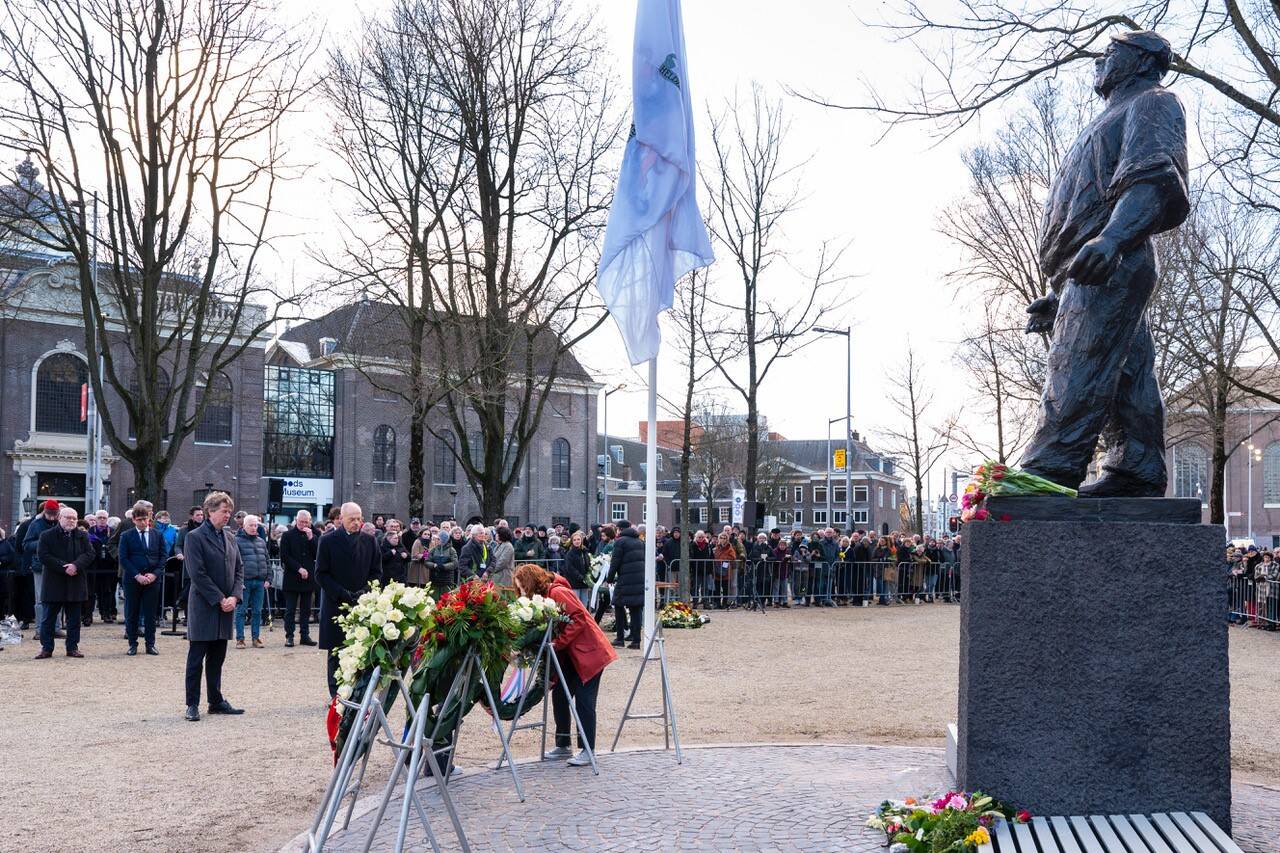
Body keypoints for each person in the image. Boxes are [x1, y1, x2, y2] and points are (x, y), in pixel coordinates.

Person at [512, 563, 616, 766]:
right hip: (570, 655)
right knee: (559, 695)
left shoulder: (558, 592)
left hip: (588, 653)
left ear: (532, 582)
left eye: (523, 586)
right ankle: (563, 744)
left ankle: (588, 749)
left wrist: (557, 643)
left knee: (584, 701)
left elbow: (578, 619)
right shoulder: (548, 595)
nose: (522, 591)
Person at [182, 491, 246, 722]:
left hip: (226, 607)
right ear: (210, 511)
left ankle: (216, 701)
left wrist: (235, 597)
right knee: (196, 658)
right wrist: (220, 598)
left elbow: (239, 569)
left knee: (217, 658)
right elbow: (197, 573)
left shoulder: (230, 537)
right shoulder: (194, 537)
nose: (228, 515)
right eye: (224, 511)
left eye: (229, 511)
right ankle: (192, 704)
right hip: (204, 606)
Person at [316, 502, 383, 697]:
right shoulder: (327, 541)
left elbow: (377, 572)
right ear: (341, 519)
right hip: (336, 603)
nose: (356, 523)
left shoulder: (370, 541)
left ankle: (356, 692)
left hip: (362, 604)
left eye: (359, 518)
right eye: (351, 519)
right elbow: (321, 574)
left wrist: (364, 592)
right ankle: (336, 694)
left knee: (361, 649)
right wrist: (342, 593)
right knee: (336, 651)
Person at [34, 506, 94, 659]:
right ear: (60, 517)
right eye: (68, 517)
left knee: (74, 619)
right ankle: (47, 648)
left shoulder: (82, 536)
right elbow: (43, 555)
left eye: (74, 518)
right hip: (54, 582)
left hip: (76, 581)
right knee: (48, 618)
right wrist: (63, 567)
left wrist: (75, 565)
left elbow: (89, 553)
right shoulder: (47, 535)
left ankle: (72, 647)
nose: (72, 521)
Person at [118, 501, 163, 656]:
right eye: (139, 520)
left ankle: (150, 644)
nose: (143, 522)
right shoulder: (126, 535)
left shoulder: (157, 534)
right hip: (132, 580)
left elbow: (163, 556)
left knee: (150, 614)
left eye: (145, 519)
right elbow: (123, 558)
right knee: (132, 613)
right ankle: (132, 644)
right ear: (134, 520)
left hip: (152, 579)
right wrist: (136, 575)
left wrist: (154, 574)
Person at [279, 510, 318, 648]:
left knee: (306, 609)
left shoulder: (314, 534)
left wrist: (311, 538)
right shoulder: (287, 535)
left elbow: (318, 553)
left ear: (310, 521)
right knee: (290, 609)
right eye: (301, 522)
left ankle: (305, 635)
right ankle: (289, 636)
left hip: (308, 578)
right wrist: (298, 568)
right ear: (296, 520)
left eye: (306, 522)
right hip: (292, 577)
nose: (303, 524)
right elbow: (284, 556)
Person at [23, 499, 63, 632]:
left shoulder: (61, 523)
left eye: (54, 514)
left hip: (58, 566)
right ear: (45, 512)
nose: (52, 517)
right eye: (49, 513)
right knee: (41, 599)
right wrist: (42, 542)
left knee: (57, 597)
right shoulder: (35, 524)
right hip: (40, 566)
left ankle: (56, 628)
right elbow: (26, 545)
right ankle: (40, 629)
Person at [234, 515, 271, 650]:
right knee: (241, 611)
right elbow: (234, 563)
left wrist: (268, 578)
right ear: (244, 526)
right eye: (251, 525)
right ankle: (240, 639)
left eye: (256, 525)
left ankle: (256, 638)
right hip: (244, 582)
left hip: (260, 581)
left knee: (257, 611)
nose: (254, 528)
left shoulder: (261, 541)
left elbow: (266, 561)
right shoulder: (236, 541)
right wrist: (237, 581)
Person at [607, 520, 646, 649]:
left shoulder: (620, 541)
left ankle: (620, 638)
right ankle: (636, 640)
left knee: (618, 604)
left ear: (619, 529)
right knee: (636, 609)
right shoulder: (640, 542)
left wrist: (610, 578)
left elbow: (615, 561)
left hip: (625, 579)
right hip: (639, 579)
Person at [561, 529, 593, 608]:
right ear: (572, 541)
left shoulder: (584, 551)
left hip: (584, 582)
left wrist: (589, 575)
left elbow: (588, 564)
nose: (577, 541)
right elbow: (570, 568)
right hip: (574, 582)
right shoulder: (570, 554)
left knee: (584, 604)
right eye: (574, 540)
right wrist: (579, 576)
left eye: (578, 539)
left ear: (581, 540)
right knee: (576, 604)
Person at [425, 531, 459, 598]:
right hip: (434, 580)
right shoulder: (433, 550)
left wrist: (444, 566)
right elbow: (427, 561)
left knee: (446, 600)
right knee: (433, 600)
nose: (436, 540)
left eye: (438, 539)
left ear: (443, 540)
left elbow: (455, 563)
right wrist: (433, 565)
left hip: (447, 581)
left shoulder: (451, 550)